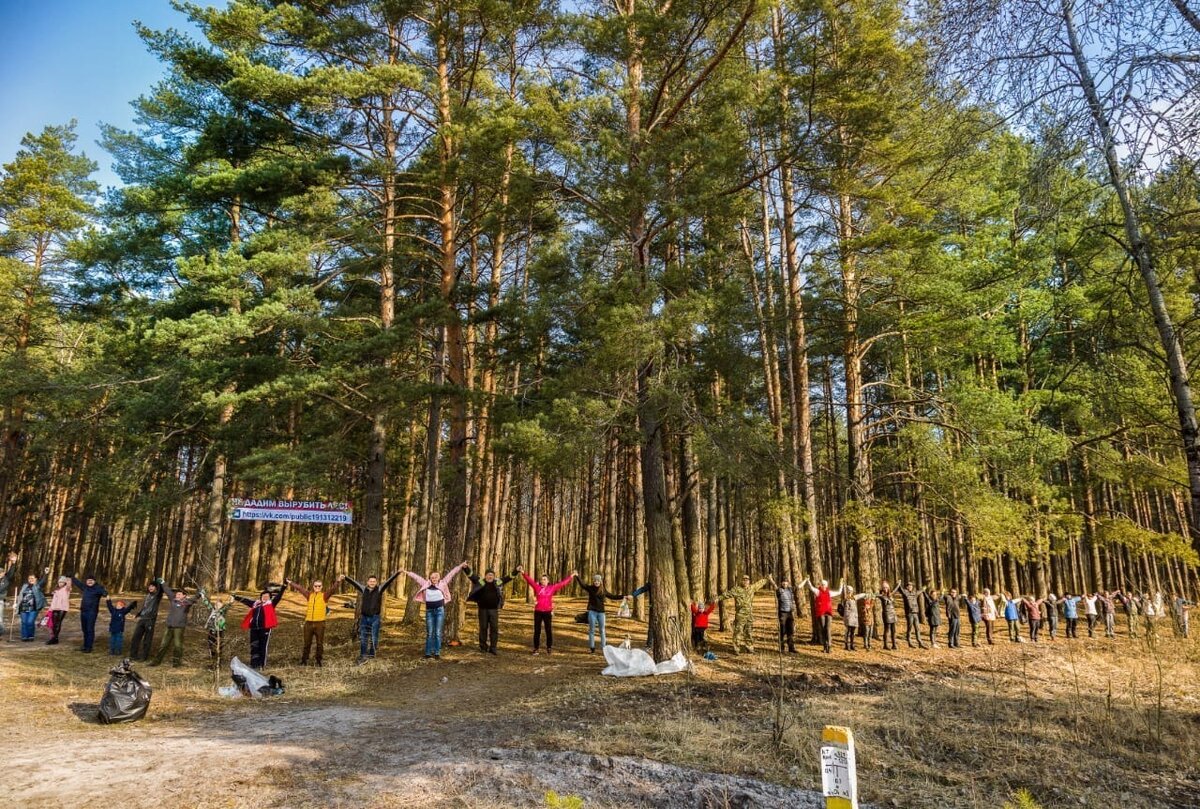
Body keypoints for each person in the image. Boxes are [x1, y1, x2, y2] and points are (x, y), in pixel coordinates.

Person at [404, 561, 468, 660]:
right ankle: (428, 653)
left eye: (436, 577)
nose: (434, 579)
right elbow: (416, 577)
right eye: (432, 577)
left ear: (439, 578)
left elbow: (452, 573)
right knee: (430, 633)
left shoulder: (443, 583)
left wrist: (460, 566)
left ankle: (437, 652)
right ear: (430, 578)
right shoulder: (425, 584)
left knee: (437, 633)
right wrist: (406, 572)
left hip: (439, 611)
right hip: (429, 611)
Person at [342, 570, 402, 663]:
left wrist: (397, 573)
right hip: (364, 618)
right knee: (363, 637)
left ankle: (371, 654)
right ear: (367, 582)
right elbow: (354, 583)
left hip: (375, 618)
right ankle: (363, 656)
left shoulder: (379, 589)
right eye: (370, 581)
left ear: (376, 582)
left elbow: (388, 581)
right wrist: (345, 577)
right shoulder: (363, 589)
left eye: (374, 581)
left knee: (374, 637)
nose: (372, 583)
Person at [287, 576, 341, 666]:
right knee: (307, 643)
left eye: (319, 586)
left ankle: (318, 660)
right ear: (313, 587)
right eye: (315, 586)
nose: (317, 588)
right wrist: (290, 582)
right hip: (308, 623)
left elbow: (332, 589)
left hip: (320, 623)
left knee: (319, 643)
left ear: (322, 587)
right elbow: (300, 588)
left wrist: (338, 581)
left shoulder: (324, 596)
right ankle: (304, 660)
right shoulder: (309, 595)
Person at [521, 567, 574, 654]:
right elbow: (529, 580)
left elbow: (563, 583)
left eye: (545, 579)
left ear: (548, 581)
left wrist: (571, 576)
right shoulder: (537, 587)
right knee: (537, 630)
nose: (543, 581)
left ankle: (549, 647)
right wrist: (523, 573)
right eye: (542, 579)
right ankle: (536, 648)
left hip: (547, 612)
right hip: (538, 612)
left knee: (548, 630)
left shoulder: (552, 588)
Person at [717, 574, 774, 655]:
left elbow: (760, 583)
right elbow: (727, 595)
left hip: (749, 615)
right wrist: (717, 599)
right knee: (738, 632)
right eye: (744, 580)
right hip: (740, 615)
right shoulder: (737, 589)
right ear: (741, 581)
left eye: (747, 580)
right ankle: (736, 648)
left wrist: (767, 578)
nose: (745, 581)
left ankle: (749, 648)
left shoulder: (752, 588)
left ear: (749, 581)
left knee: (749, 632)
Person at [465, 565, 517, 654]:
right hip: (482, 609)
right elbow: (471, 576)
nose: (490, 576)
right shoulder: (481, 581)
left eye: (491, 575)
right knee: (483, 628)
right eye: (488, 575)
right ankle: (483, 647)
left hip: (494, 610)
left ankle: (493, 648)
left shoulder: (497, 582)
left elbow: (508, 578)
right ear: (485, 576)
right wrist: (465, 568)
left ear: (494, 576)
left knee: (494, 628)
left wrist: (516, 570)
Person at [233, 586, 284, 670]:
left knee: (262, 646)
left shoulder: (271, 604)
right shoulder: (256, 604)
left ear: (270, 598)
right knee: (254, 646)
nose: (265, 598)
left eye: (267, 596)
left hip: (265, 628)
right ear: (261, 597)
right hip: (254, 629)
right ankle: (254, 664)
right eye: (263, 596)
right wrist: (235, 597)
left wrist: (284, 586)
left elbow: (279, 596)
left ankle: (261, 665)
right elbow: (246, 601)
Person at [574, 572, 626, 654]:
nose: (596, 582)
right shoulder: (590, 588)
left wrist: (623, 596)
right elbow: (582, 585)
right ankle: (592, 648)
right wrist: (577, 576)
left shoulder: (603, 590)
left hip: (601, 613)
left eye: (598, 581)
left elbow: (612, 596)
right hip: (592, 612)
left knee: (602, 630)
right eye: (595, 581)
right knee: (592, 630)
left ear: (600, 581)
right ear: (593, 581)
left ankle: (604, 648)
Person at [150, 582, 198, 667]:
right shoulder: (173, 600)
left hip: (179, 628)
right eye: (177, 594)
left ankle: (176, 663)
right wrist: (163, 583)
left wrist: (200, 594)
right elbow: (168, 591)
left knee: (178, 646)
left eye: (179, 594)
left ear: (184, 596)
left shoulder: (186, 603)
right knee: (163, 645)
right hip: (169, 626)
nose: (177, 595)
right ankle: (156, 661)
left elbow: (194, 599)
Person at [805, 577, 844, 654]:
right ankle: (825, 646)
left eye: (825, 585)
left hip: (828, 613)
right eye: (822, 584)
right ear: (820, 585)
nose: (823, 586)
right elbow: (811, 587)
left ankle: (829, 646)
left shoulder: (829, 592)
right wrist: (808, 580)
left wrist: (841, 584)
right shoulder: (817, 591)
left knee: (828, 629)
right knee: (823, 629)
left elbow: (839, 592)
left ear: (826, 585)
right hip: (821, 613)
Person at [70, 573, 108, 653]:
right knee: (84, 629)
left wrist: (105, 593)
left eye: (91, 580)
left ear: (94, 581)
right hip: (83, 611)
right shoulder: (85, 587)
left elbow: (104, 592)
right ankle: (85, 645)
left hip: (92, 612)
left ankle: (89, 647)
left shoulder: (98, 588)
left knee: (90, 629)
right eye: (88, 580)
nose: (89, 582)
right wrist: (72, 577)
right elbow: (78, 583)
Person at [128, 581, 165, 661]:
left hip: (150, 620)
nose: (150, 588)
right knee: (135, 638)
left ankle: (144, 657)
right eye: (149, 586)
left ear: (156, 588)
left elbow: (161, 590)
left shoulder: (157, 596)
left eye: (152, 586)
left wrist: (160, 583)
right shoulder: (147, 596)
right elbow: (144, 608)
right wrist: (137, 615)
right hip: (142, 619)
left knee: (147, 640)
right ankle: (133, 655)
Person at [198, 588, 231, 665]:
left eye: (219, 604)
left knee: (219, 646)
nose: (217, 606)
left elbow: (228, 606)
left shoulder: (222, 611)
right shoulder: (212, 610)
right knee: (210, 645)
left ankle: (218, 661)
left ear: (222, 605)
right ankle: (212, 660)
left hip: (219, 631)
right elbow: (207, 603)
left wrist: (230, 601)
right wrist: (203, 596)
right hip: (211, 630)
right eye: (216, 604)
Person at [16, 568, 48, 641]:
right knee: (24, 622)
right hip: (23, 607)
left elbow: (43, 582)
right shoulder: (24, 586)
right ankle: (24, 636)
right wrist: (17, 603)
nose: (31, 579)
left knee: (30, 622)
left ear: (36, 579)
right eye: (29, 578)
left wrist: (45, 574)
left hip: (33, 608)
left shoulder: (37, 586)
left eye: (32, 578)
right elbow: (20, 596)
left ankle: (30, 636)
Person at [897, 582, 924, 648]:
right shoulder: (905, 593)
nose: (910, 587)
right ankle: (909, 642)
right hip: (909, 614)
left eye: (911, 586)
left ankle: (920, 642)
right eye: (908, 586)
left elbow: (920, 591)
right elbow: (900, 589)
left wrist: (923, 589)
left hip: (915, 613)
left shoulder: (914, 593)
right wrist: (899, 584)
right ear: (906, 587)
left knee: (917, 628)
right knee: (910, 628)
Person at [46, 576, 71, 645]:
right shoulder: (56, 590)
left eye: (62, 582)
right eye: (59, 582)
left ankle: (54, 638)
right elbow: (54, 600)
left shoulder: (67, 589)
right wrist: (50, 608)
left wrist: (68, 578)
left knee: (58, 623)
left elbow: (69, 584)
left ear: (65, 582)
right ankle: (54, 638)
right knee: (54, 623)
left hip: (62, 608)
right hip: (55, 608)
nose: (60, 583)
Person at [775, 578, 797, 653]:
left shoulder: (790, 589)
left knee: (790, 631)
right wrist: (771, 579)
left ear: (788, 583)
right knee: (782, 631)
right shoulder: (779, 590)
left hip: (790, 613)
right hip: (782, 613)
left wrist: (806, 580)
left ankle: (791, 648)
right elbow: (774, 586)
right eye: (783, 583)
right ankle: (782, 648)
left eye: (786, 583)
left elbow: (799, 587)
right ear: (781, 583)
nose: (785, 584)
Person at [878, 581, 898, 650]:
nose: (885, 588)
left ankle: (894, 644)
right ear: (882, 588)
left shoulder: (890, 595)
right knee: (887, 630)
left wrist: (898, 584)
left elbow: (895, 590)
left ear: (888, 588)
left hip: (893, 614)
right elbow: (875, 595)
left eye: (886, 587)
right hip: (886, 614)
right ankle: (885, 645)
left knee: (893, 630)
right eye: (884, 587)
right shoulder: (881, 595)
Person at [0, 551, 17, 633]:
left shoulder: (6, 579)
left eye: (1, 572)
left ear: (3, 573)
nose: (0, 574)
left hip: (0, 600)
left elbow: (11, 572)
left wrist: (13, 563)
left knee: (0, 617)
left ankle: (0, 631)